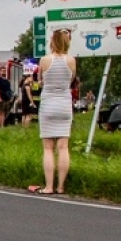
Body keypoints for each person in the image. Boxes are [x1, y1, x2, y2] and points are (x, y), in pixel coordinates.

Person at [29, 28, 77, 195]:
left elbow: (40, 80)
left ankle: (49, 186)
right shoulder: (71, 61)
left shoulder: (44, 60)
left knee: (48, 148)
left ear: (52, 42)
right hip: (64, 104)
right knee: (63, 147)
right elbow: (71, 80)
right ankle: (61, 186)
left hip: (48, 103)